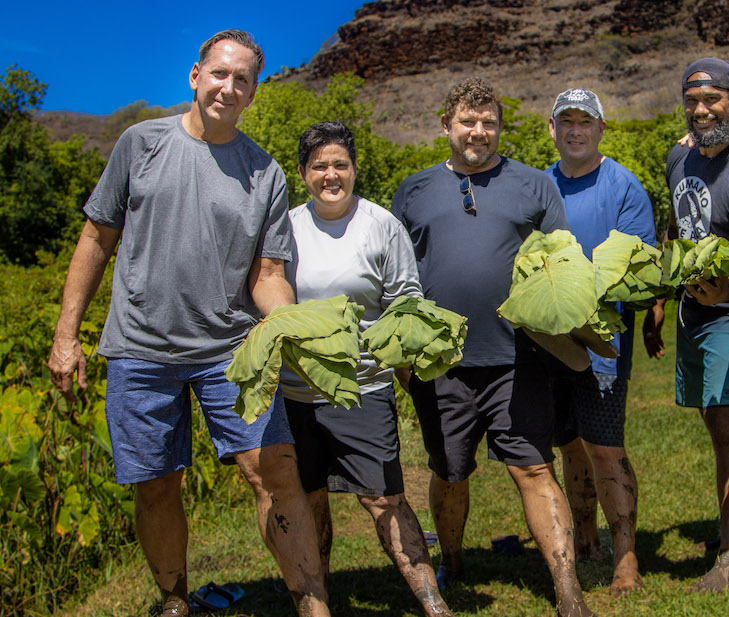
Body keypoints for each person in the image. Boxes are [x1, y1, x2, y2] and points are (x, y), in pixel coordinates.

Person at [46, 30, 330, 617]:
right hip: (140, 349)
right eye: (220, 73)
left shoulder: (264, 173)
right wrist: (66, 336)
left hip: (230, 348)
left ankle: (313, 604)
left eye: (242, 80)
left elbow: (268, 275)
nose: (229, 87)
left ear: (253, 93)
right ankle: (175, 601)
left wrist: (293, 325)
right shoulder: (140, 143)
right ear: (195, 76)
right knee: (156, 483)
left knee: (273, 469)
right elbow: (96, 238)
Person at [390, 77, 596, 617]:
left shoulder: (532, 185)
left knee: (532, 466)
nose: (478, 131)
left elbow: (561, 258)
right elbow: (397, 277)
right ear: (446, 126)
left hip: (516, 356)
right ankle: (452, 563)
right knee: (450, 471)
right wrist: (403, 360)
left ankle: (567, 586)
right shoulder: (413, 191)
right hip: (441, 364)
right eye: (467, 121)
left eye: (488, 122)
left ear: (501, 128)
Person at [281, 121, 454, 617]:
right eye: (319, 166)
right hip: (296, 391)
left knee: (385, 499)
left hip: (363, 387)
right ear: (302, 173)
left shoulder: (381, 225)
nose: (330, 175)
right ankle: (318, 602)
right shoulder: (286, 227)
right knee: (309, 499)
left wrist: (411, 363)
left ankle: (432, 603)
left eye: (340, 164)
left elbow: (406, 300)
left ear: (354, 169)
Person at [643, 57, 729, 593]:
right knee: (717, 420)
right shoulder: (679, 158)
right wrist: (661, 301)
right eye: (693, 101)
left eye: (713, 99)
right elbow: (676, 227)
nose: (703, 110)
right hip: (691, 309)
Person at [544, 88, 655, 596]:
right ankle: (584, 538)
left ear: (600, 130)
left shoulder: (623, 186)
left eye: (584, 122)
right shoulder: (540, 185)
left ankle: (625, 554)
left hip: (603, 340)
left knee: (606, 448)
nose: (575, 130)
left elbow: (637, 267)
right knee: (568, 444)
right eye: (565, 121)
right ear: (552, 129)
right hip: (548, 341)